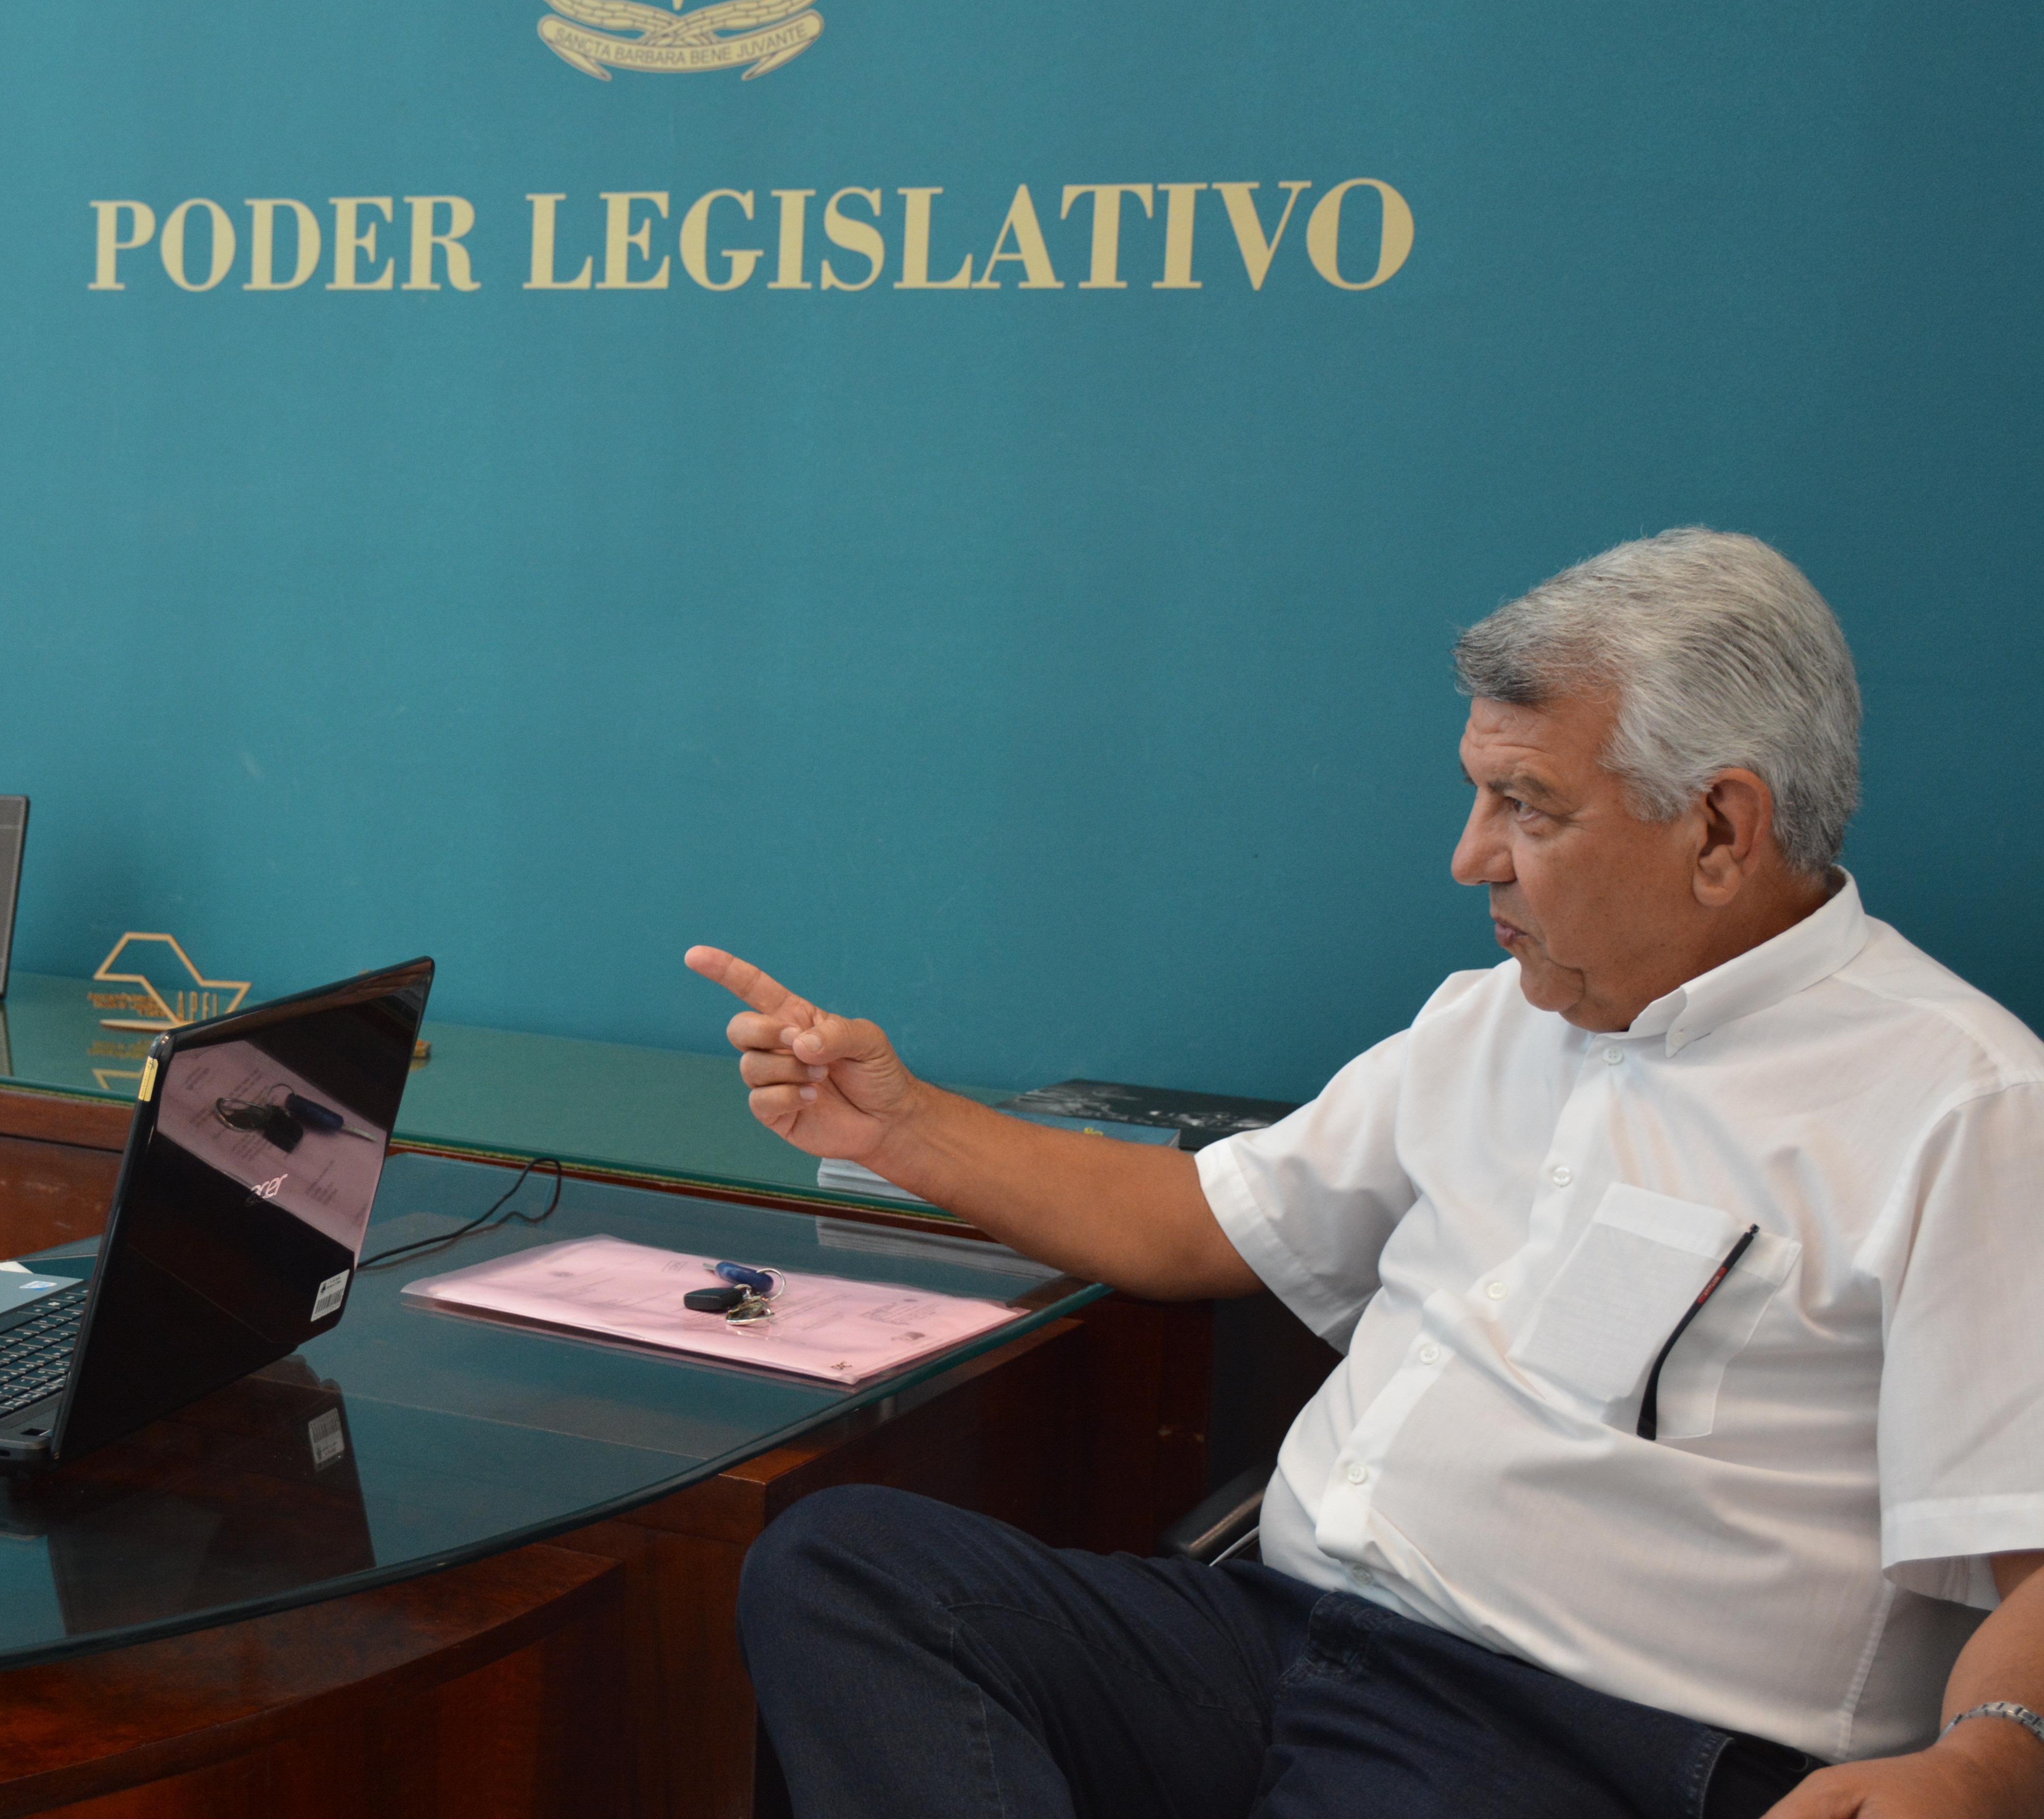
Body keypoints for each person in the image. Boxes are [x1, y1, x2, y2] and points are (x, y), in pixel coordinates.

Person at [692, 530, 2044, 1819]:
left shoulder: (1964, 1107)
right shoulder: (1491, 1018)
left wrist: (1990, 1765)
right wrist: (900, 1128)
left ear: (1722, 831)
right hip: (1283, 1641)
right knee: (846, 1569)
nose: (1471, 857)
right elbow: (1197, 1224)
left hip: (1576, 1734)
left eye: (1528, 806)